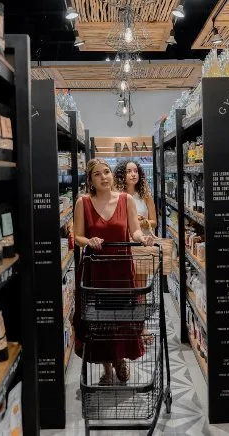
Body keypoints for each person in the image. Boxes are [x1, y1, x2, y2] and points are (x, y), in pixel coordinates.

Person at [72, 158, 155, 384]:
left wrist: (143, 238)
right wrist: (89, 240)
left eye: (106, 172)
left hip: (120, 269)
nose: (104, 177)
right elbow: (77, 237)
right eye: (97, 174)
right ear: (90, 180)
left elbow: (134, 231)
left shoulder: (126, 200)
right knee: (97, 322)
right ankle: (107, 369)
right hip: (95, 272)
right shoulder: (83, 203)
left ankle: (120, 360)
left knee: (121, 318)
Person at [114, 159, 156, 234]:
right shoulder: (116, 196)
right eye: (129, 171)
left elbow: (154, 223)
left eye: (136, 171)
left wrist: (142, 223)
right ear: (121, 175)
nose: (133, 174)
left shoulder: (146, 196)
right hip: (125, 239)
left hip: (144, 241)